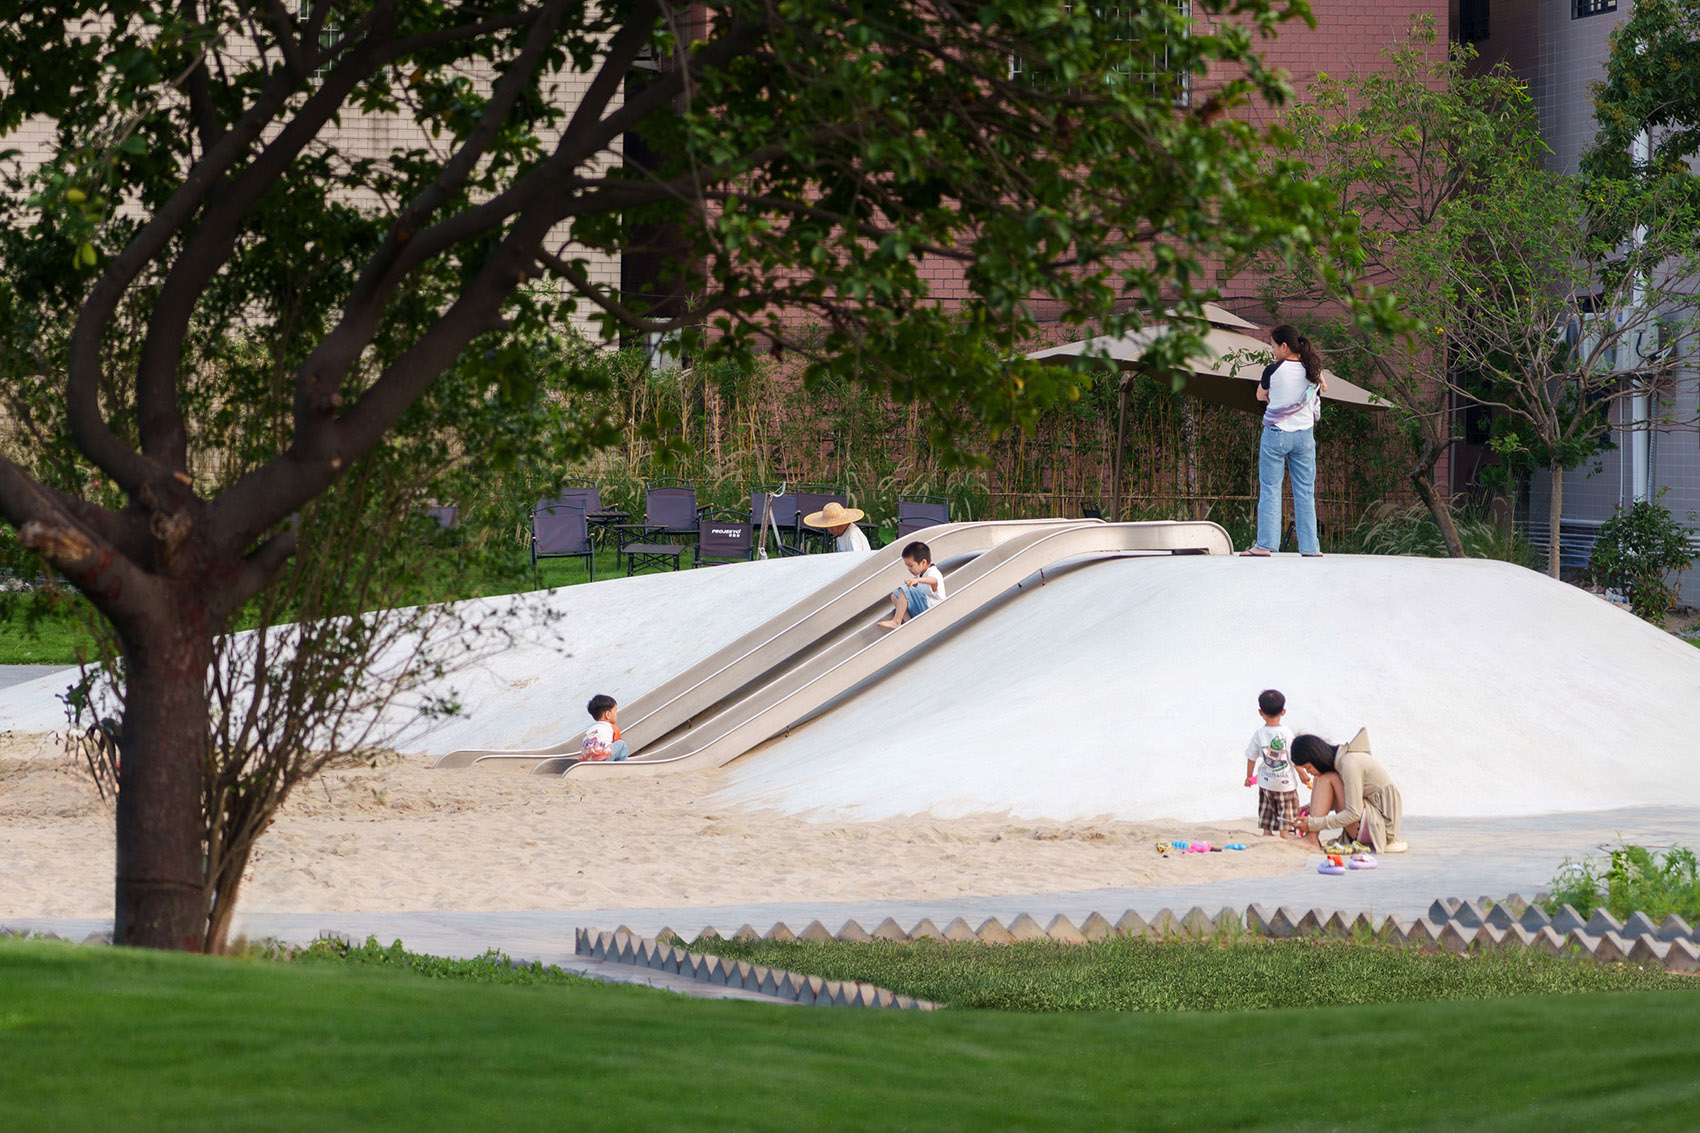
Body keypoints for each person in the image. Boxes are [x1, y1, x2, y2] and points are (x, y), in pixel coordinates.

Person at [1242, 325, 1328, 558]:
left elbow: (1260, 395)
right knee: (1305, 491)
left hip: (1276, 434)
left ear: (1284, 346)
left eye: (1272, 346)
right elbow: (1319, 391)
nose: (1272, 351)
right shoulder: (1313, 370)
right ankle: (1311, 548)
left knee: (1271, 488)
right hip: (1305, 436)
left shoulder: (1272, 370)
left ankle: (1265, 545)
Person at [1287, 730, 1407, 853]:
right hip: (1372, 818)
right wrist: (1310, 807)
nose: (1308, 772)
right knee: (1321, 776)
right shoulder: (1344, 760)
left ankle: (1311, 838)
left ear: (1316, 757)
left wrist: (1314, 824)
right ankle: (1311, 837)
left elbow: (1353, 813)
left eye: (1308, 767)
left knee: (1327, 778)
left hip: (1380, 829)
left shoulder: (1350, 764)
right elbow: (1349, 798)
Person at [1243, 688, 1308, 837]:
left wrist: (1249, 776)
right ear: (1283, 711)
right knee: (1287, 806)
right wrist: (1302, 773)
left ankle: (1267, 831)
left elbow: (1251, 756)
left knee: (1267, 807)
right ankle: (1285, 833)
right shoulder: (1286, 733)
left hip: (1266, 782)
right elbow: (1294, 756)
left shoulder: (1259, 734)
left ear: (1260, 712)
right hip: (1285, 783)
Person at [877, 540, 946, 629]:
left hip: (933, 610)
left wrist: (917, 580)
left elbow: (934, 581)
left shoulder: (933, 572)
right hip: (923, 606)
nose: (909, 569)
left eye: (911, 565)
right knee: (895, 595)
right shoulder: (920, 574)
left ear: (923, 562)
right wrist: (913, 582)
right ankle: (908, 623)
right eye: (907, 566)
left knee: (904, 589)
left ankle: (896, 621)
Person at [803, 500, 871, 552]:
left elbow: (856, 561)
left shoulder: (852, 535)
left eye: (832, 527)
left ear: (841, 523)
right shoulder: (840, 534)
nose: (829, 530)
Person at [580, 694, 628, 762]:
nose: (616, 714)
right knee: (621, 744)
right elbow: (617, 743)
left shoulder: (589, 730)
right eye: (615, 711)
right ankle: (621, 767)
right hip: (602, 760)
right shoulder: (612, 727)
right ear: (608, 714)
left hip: (587, 762)